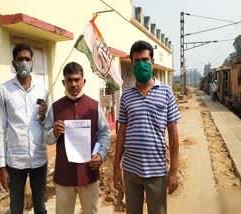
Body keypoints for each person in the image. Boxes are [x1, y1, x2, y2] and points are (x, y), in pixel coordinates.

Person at [113, 40, 181, 214]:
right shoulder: (126, 95)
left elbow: (173, 134)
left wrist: (173, 170)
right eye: (137, 61)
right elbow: (121, 133)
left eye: (145, 60)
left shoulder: (166, 92)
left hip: (157, 171)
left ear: (152, 62)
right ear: (132, 63)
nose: (141, 64)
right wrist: (116, 168)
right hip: (130, 171)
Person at [43, 62, 110, 214]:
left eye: (77, 79)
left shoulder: (94, 106)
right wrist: (54, 132)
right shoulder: (55, 108)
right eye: (69, 80)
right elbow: (46, 138)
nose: (73, 84)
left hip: (89, 172)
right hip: (64, 175)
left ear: (83, 81)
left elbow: (104, 133)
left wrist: (100, 154)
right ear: (63, 82)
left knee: (90, 211)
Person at [0, 43, 48, 214]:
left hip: (39, 158)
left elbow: (49, 124)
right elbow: (0, 128)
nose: (24, 62)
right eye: (20, 59)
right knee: (16, 208)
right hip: (15, 161)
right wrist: (2, 167)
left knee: (40, 207)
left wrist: (44, 116)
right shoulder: (3, 90)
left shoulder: (43, 89)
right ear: (13, 63)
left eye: (27, 59)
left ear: (32, 63)